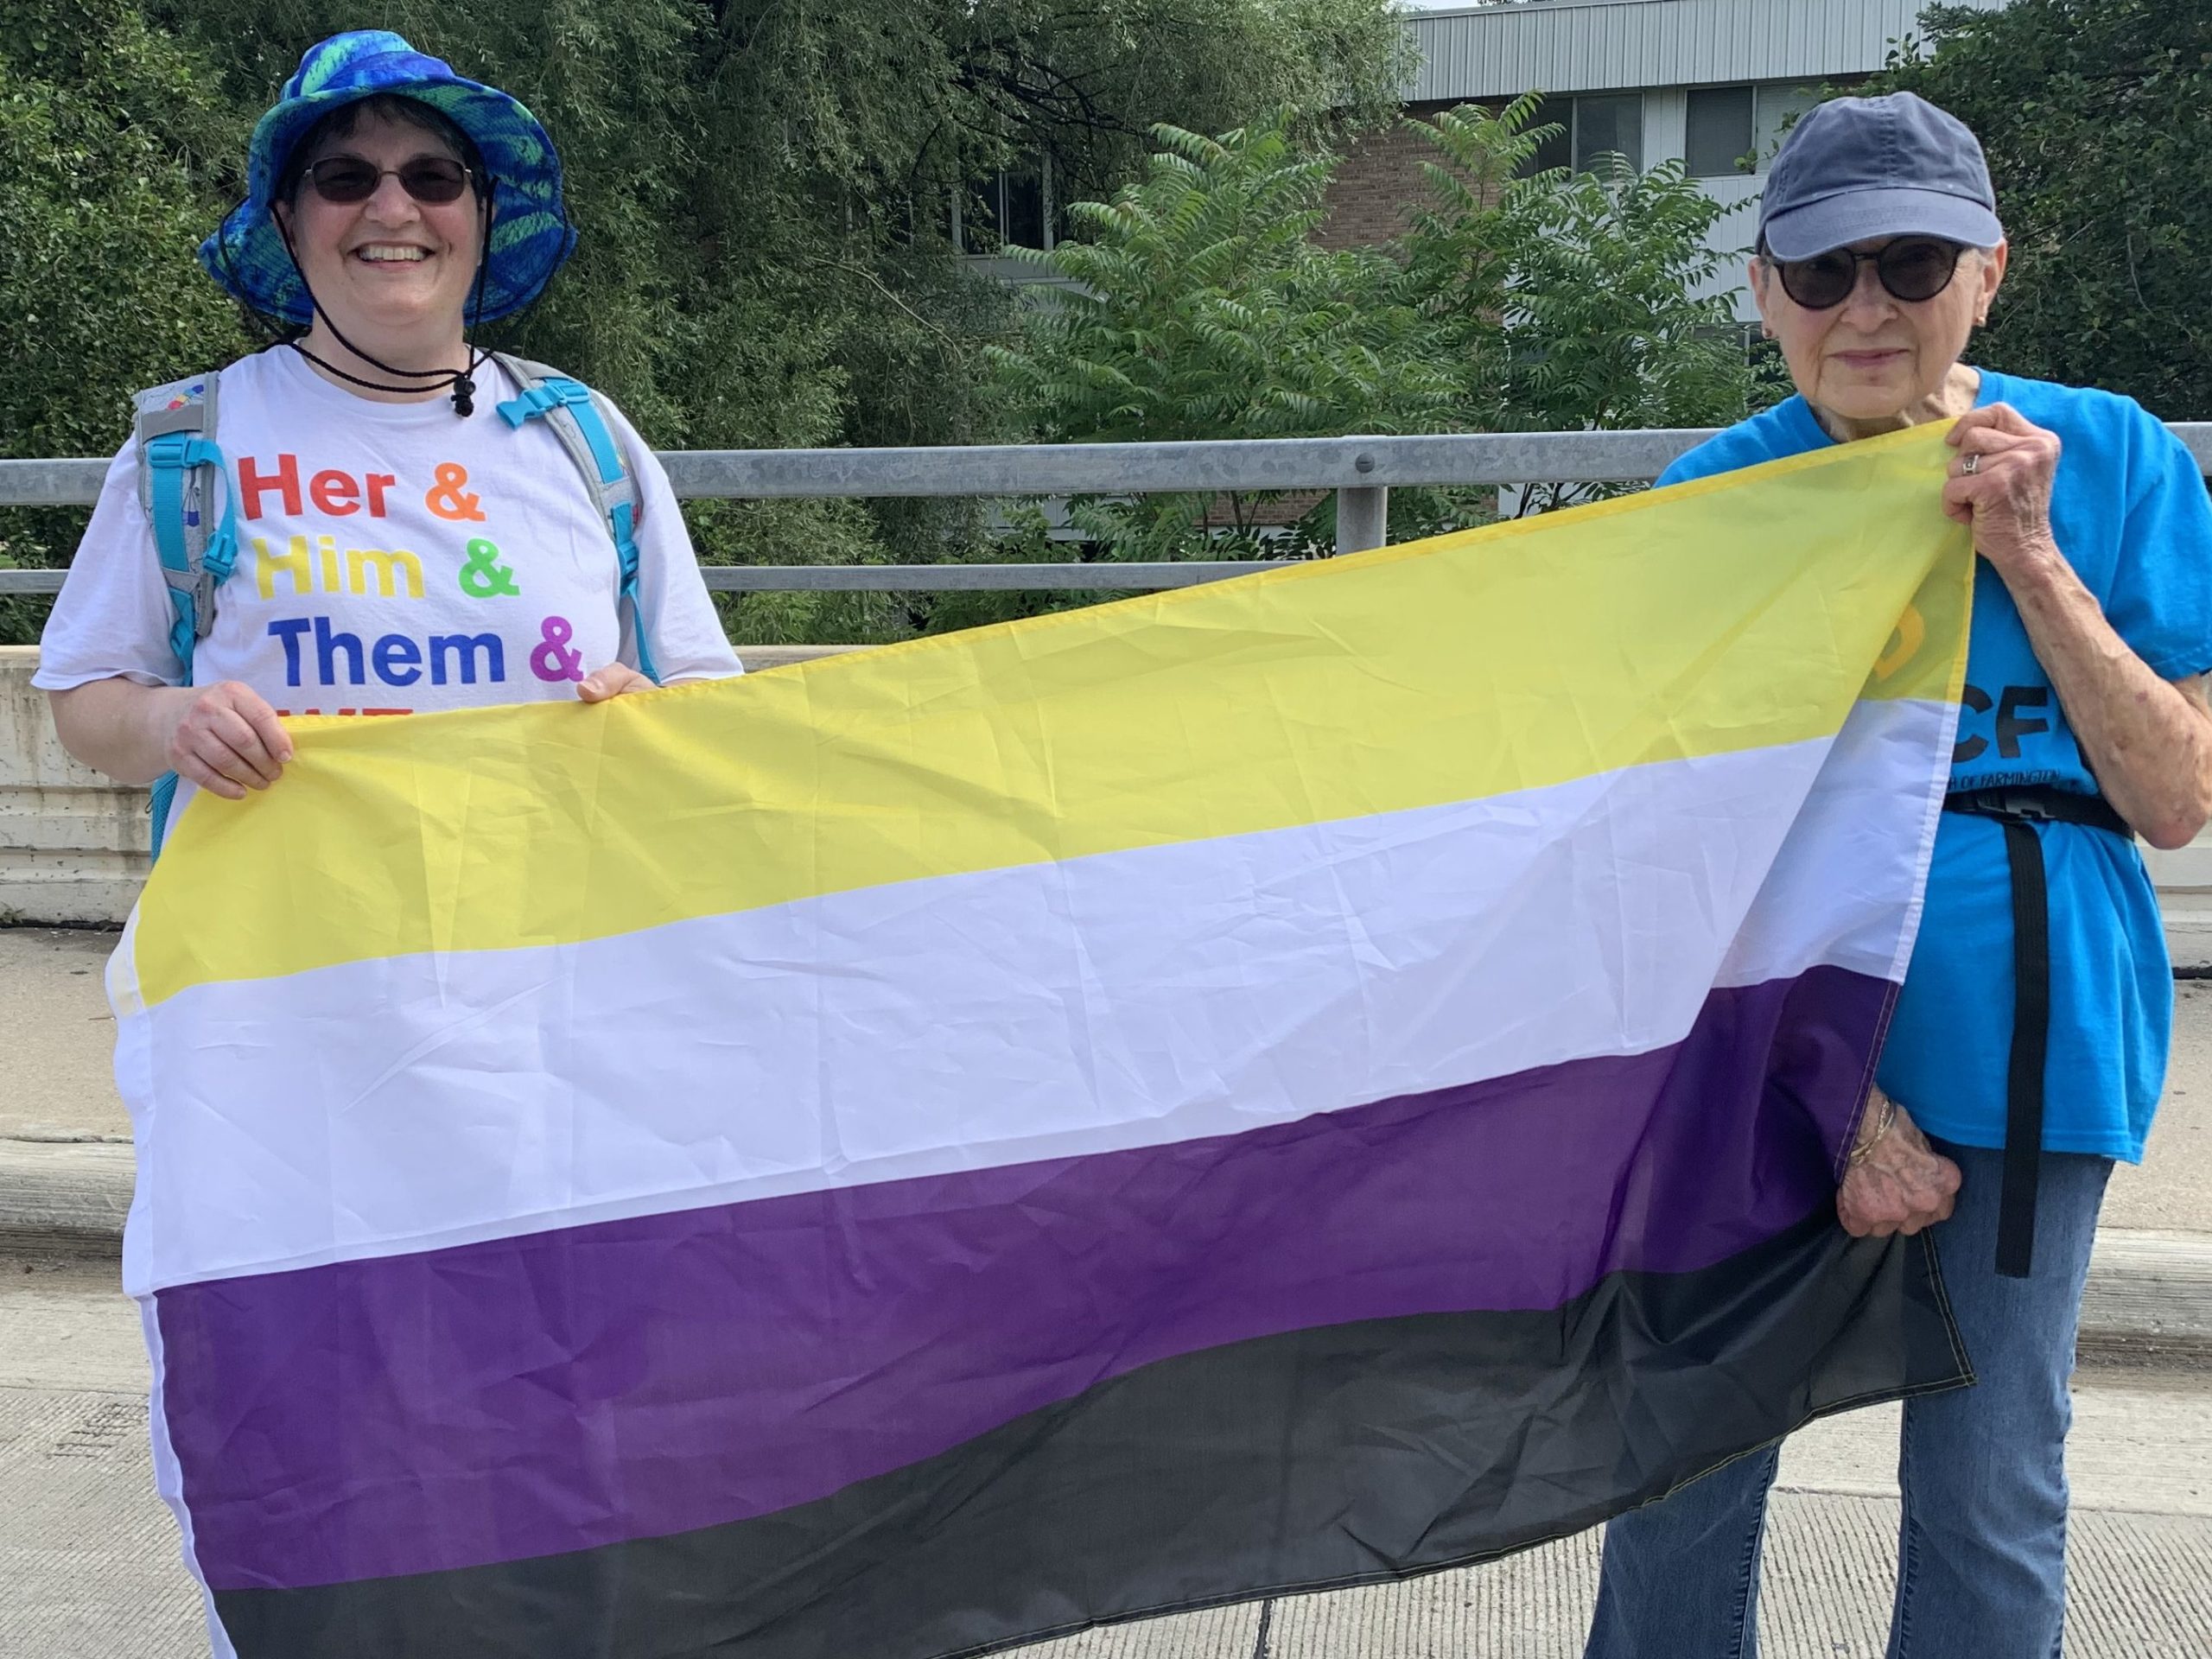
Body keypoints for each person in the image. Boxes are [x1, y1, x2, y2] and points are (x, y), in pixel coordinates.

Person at [1584, 92, 2212, 1659]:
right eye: (1822, 273)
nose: (1865, 308)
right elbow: (1661, 849)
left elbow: (2177, 794)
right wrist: (1835, 1095)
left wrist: (2032, 557)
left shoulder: (2116, 457)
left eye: (1911, 264)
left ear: (1988, 273)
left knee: (1994, 1493)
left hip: (2034, 1046)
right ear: (1763, 295)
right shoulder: (1713, 503)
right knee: (1682, 1475)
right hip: (1760, 1071)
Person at [36, 30, 739, 835]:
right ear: (289, 222)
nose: (394, 207)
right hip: (283, 952)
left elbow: (704, 699)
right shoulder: (192, 442)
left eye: (434, 177)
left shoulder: (585, 435)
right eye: (345, 177)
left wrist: (654, 718)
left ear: (481, 214)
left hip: (547, 948)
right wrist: (172, 723)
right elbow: (85, 701)